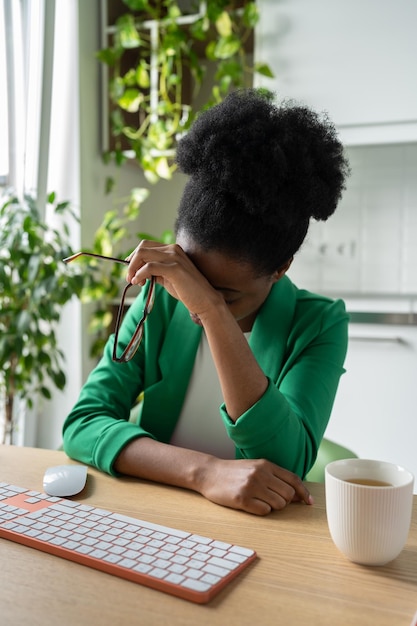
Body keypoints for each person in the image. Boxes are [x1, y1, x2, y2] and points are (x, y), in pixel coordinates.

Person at [63, 88, 350, 516]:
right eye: (190, 278)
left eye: (224, 294)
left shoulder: (319, 325)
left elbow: (286, 462)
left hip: (258, 535)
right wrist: (204, 472)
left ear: (280, 267)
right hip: (157, 514)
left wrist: (213, 313)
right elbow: (83, 423)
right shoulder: (162, 298)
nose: (191, 299)